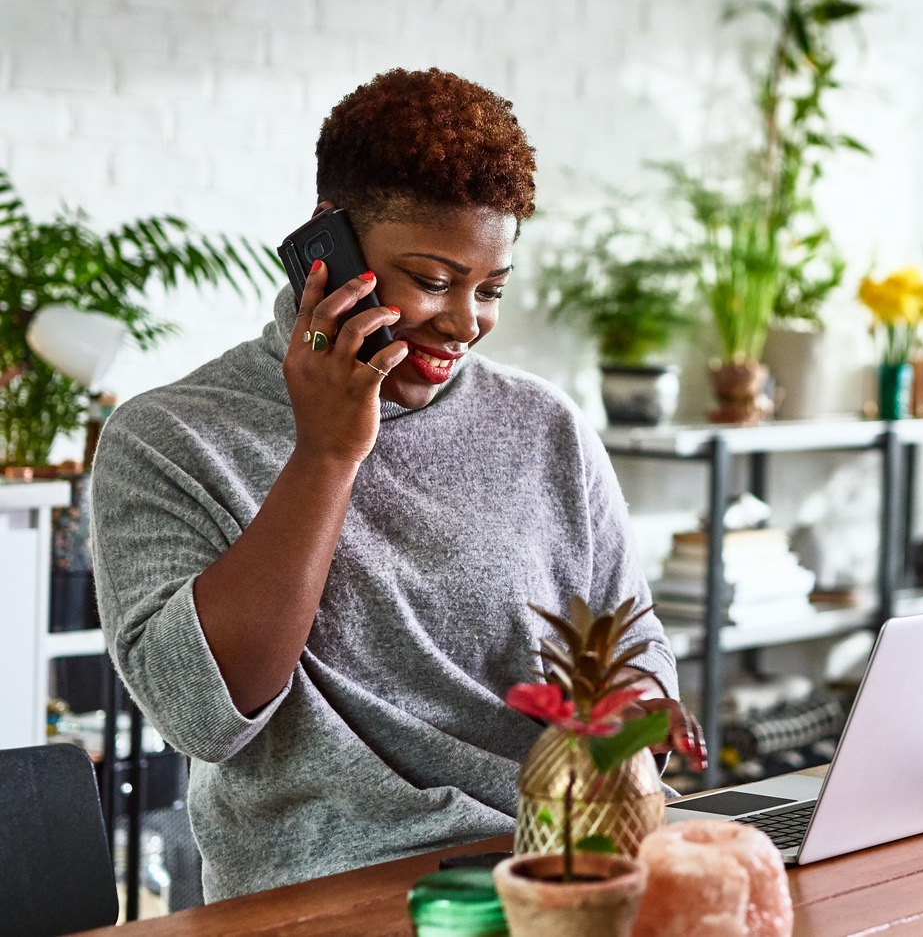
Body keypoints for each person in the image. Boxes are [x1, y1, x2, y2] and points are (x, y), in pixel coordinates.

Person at [90, 68, 700, 901]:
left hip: (570, 867)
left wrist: (631, 730)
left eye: (490, 289)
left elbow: (631, 636)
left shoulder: (543, 425)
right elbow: (202, 716)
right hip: (333, 892)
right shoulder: (170, 437)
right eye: (434, 280)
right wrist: (327, 453)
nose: (464, 325)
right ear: (326, 246)